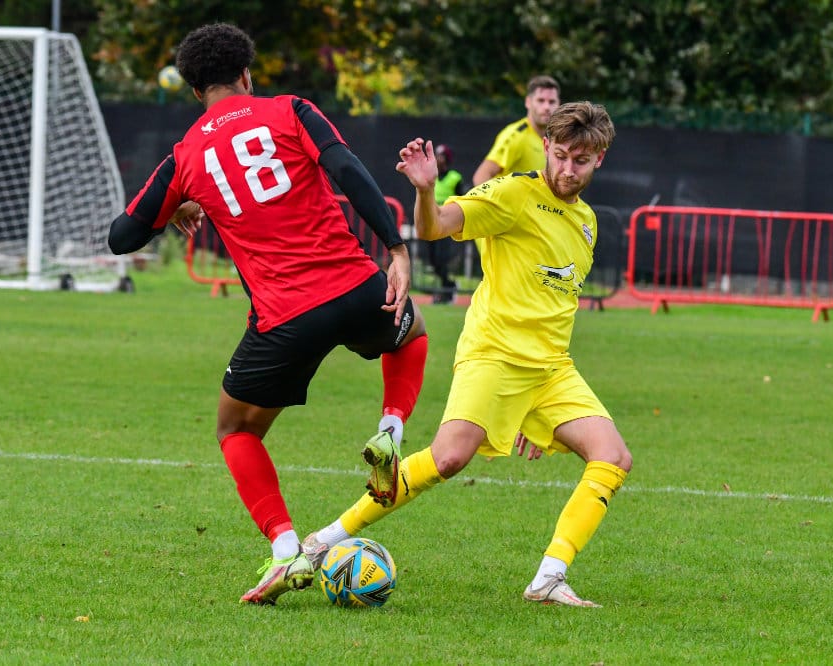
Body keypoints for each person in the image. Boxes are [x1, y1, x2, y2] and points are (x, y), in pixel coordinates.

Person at [106, 23, 428, 606]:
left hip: (284, 318)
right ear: (246, 74)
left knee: (236, 429)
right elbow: (348, 170)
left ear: (194, 90)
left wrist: (174, 205)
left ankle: (284, 550)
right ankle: (390, 431)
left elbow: (122, 237)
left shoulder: (184, 155)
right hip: (355, 286)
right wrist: (396, 248)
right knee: (411, 334)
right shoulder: (291, 110)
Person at [303, 101, 632, 608]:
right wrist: (424, 190)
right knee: (449, 458)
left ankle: (549, 578)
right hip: (494, 355)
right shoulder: (512, 194)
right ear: (546, 146)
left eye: (581, 161)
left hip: (550, 368)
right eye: (561, 155)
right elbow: (434, 227)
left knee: (612, 457)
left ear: (599, 159)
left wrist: (528, 411)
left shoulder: (587, 221)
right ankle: (326, 538)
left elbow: (554, 308)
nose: (568, 169)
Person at [471, 75, 561, 186]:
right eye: (540, 101)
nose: (547, 107)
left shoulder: (555, 139)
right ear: (528, 102)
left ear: (558, 104)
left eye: (552, 102)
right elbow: (481, 176)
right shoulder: (515, 136)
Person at [427, 143, 466, 303]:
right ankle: (450, 285)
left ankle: (446, 293)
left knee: (441, 258)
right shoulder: (432, 176)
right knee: (433, 261)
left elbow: (461, 199)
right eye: (436, 155)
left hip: (446, 223)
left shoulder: (455, 178)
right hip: (431, 221)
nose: (438, 159)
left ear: (447, 159)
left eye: (441, 156)